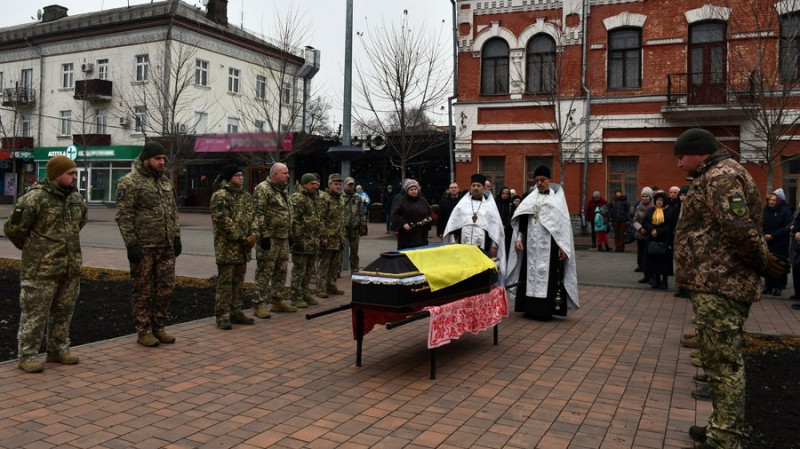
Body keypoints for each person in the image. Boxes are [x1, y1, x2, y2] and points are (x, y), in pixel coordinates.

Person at [673, 128, 788, 449]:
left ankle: (725, 438)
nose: (679, 164)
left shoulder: (721, 177)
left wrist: (763, 261)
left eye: (681, 157)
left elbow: (739, 229)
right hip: (715, 280)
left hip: (722, 282)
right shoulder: (715, 175)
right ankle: (719, 426)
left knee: (723, 363)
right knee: (715, 360)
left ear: (700, 153)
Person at [4, 156, 87, 373]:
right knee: (35, 314)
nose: (75, 177)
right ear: (56, 175)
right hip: (41, 269)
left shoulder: (75, 198)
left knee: (64, 311)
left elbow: (79, 223)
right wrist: (36, 250)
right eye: (70, 173)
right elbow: (13, 229)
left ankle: (58, 349)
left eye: (75, 172)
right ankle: (28, 355)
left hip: (69, 267)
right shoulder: (34, 198)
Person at [116, 142, 182, 347]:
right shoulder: (129, 182)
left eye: (163, 158)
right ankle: (143, 331)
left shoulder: (165, 182)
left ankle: (158, 327)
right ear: (146, 159)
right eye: (157, 158)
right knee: (142, 291)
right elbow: (124, 216)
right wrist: (131, 244)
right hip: (143, 247)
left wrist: (176, 237)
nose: (162, 162)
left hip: (166, 246)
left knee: (166, 289)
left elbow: (172, 211)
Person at [506, 165, 579, 321]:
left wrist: (562, 246)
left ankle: (545, 311)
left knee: (549, 277)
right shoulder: (530, 198)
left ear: (549, 180)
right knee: (528, 275)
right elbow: (522, 221)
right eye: (537, 180)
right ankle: (528, 308)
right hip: (531, 246)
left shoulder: (557, 200)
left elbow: (562, 226)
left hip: (549, 247)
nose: (539, 183)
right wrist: (519, 238)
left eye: (543, 180)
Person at [209, 164, 257, 329]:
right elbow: (222, 220)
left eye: (242, 175)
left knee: (238, 281)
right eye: (237, 175)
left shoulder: (245, 196)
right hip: (227, 247)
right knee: (225, 282)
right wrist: (242, 237)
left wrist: (253, 234)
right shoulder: (220, 196)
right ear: (229, 177)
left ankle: (236, 311)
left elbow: (253, 217)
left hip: (243, 248)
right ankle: (222, 315)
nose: (241, 178)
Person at [253, 162, 296, 314]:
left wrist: (290, 233)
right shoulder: (263, 189)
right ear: (274, 174)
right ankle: (259, 304)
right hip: (270, 238)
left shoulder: (283, 190)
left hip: (283, 237)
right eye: (285, 173)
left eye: (288, 172)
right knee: (265, 271)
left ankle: (277, 301)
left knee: (281, 270)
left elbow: (287, 213)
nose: (288, 175)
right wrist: (264, 235)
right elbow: (258, 213)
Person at [442, 174, 506, 274]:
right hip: (463, 245)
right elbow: (453, 225)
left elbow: (495, 228)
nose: (476, 188)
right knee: (464, 271)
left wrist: (494, 246)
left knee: (481, 272)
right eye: (473, 185)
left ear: (484, 188)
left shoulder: (490, 206)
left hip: (483, 246)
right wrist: (453, 243)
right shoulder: (462, 205)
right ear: (470, 187)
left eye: (478, 186)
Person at [289, 173, 321, 308]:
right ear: (304, 184)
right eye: (312, 184)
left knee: (309, 270)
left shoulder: (315, 198)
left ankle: (305, 293)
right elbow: (294, 220)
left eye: (316, 183)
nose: (315, 186)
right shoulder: (298, 198)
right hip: (301, 241)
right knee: (299, 270)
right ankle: (296, 295)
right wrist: (297, 239)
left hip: (313, 241)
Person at [316, 174, 346, 298]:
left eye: (339, 184)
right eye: (336, 184)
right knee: (324, 264)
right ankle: (321, 288)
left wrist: (343, 234)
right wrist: (323, 236)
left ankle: (331, 285)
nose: (338, 186)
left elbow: (342, 219)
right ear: (329, 185)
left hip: (338, 238)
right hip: (328, 238)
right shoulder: (324, 198)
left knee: (335, 264)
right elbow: (320, 218)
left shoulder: (341, 199)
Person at [642, 191, 677, 290]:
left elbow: (670, 225)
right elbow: (645, 221)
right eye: (657, 200)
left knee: (664, 261)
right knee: (653, 260)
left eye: (661, 200)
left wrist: (658, 231)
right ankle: (656, 280)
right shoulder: (651, 210)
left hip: (664, 239)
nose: (659, 202)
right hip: (652, 239)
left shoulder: (669, 211)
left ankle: (664, 281)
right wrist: (652, 230)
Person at [762, 193, 792, 296]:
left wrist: (773, 235)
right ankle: (768, 286)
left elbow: (787, 226)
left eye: (774, 200)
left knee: (780, 264)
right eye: (770, 200)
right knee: (768, 263)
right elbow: (761, 224)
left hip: (780, 242)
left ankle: (778, 286)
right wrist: (764, 234)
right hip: (767, 241)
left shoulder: (785, 211)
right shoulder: (764, 211)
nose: (772, 202)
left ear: (777, 201)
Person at [391, 178, 433, 249]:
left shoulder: (422, 200)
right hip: (406, 236)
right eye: (411, 190)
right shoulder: (401, 201)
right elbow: (395, 215)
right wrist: (403, 223)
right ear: (407, 191)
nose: (414, 191)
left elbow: (431, 214)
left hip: (421, 235)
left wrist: (427, 220)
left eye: (415, 189)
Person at [343, 177, 367, 272]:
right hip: (343, 228)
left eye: (352, 184)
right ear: (345, 185)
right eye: (349, 184)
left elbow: (362, 213)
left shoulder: (358, 198)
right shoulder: (340, 197)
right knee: (339, 251)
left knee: (354, 251)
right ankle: (336, 270)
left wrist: (363, 225)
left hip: (354, 228)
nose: (350, 186)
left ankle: (354, 269)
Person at [632, 187, 655, 283]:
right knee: (642, 255)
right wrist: (640, 228)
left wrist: (648, 229)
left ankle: (652, 276)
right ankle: (645, 275)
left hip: (650, 234)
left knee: (650, 256)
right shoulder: (639, 206)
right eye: (643, 196)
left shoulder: (654, 207)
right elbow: (635, 220)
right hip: (641, 234)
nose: (645, 198)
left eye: (647, 196)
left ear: (650, 197)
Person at [496, 186, 514, 254]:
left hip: (507, 230)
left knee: (506, 248)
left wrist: (506, 225)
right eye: (503, 193)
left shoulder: (511, 205)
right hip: (497, 228)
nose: (505, 195)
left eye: (507, 194)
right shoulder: (496, 203)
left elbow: (512, 217)